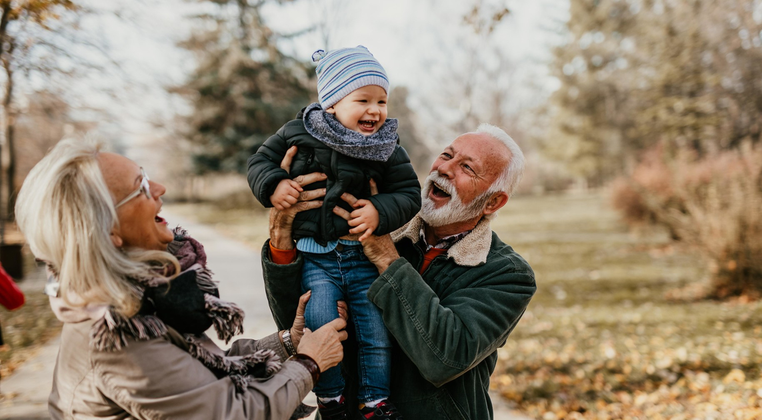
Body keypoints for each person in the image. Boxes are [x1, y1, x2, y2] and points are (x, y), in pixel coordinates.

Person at [14, 137, 348, 420]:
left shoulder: (136, 298)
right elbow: (231, 412)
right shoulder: (118, 336)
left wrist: (288, 341)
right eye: (141, 187)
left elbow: (201, 378)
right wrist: (309, 363)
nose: (160, 188)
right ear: (107, 229)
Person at [261, 124, 536, 420]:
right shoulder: (373, 224)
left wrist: (386, 257)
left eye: (467, 167)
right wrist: (282, 239)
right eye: (446, 155)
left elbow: (445, 357)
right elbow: (302, 327)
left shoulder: (507, 273)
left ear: (493, 201)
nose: (444, 169)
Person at [247, 46, 420, 419]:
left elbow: (408, 193)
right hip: (317, 257)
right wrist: (275, 184)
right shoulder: (299, 131)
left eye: (382, 101)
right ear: (332, 102)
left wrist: (379, 209)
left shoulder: (387, 146)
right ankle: (330, 399)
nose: (375, 110)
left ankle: (374, 402)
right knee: (320, 323)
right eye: (363, 99)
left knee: (375, 333)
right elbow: (259, 162)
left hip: (361, 257)